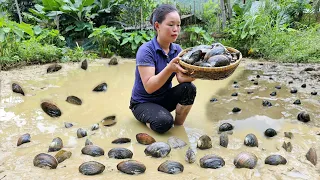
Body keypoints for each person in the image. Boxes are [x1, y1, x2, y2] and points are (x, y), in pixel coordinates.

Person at [129, 4, 197, 134]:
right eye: (171, 25)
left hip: (163, 99)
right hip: (143, 103)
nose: (176, 29)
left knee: (189, 88)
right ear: (157, 26)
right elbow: (149, 87)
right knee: (164, 123)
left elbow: (182, 78)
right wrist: (169, 68)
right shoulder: (146, 50)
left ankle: (178, 127)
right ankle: (152, 119)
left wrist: (201, 72)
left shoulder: (177, 50)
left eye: (178, 25)